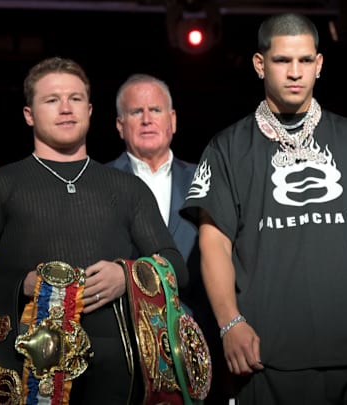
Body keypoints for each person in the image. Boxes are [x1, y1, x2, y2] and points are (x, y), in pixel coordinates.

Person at [180, 13, 347, 404]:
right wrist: (228, 323)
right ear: (260, 64)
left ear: (319, 65)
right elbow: (213, 244)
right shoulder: (227, 147)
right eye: (282, 61)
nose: (295, 72)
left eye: (305, 60)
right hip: (268, 360)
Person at [0, 57, 191, 405]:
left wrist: (127, 275)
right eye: (52, 100)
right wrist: (23, 282)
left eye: (74, 99)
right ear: (29, 114)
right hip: (31, 371)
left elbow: (177, 265)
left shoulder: (127, 188)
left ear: (89, 110)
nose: (65, 109)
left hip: (119, 373)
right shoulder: (0, 185)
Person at [106, 73, 228, 404]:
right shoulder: (98, 185)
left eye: (156, 110)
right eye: (136, 112)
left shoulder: (209, 182)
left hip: (202, 346)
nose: (147, 119)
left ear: (172, 120)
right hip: (126, 350)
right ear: (120, 125)